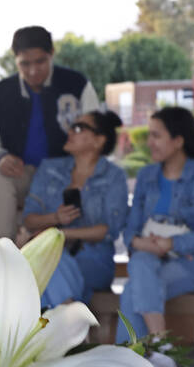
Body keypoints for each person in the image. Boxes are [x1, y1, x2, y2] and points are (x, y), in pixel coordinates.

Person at [116, 107, 194, 367]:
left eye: (156, 135)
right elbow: (130, 226)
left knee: (133, 290)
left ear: (178, 140)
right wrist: (138, 242)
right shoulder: (146, 175)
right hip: (150, 258)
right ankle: (160, 348)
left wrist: (171, 244)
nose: (149, 142)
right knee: (141, 265)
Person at [0, 26, 100, 240]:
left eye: (40, 62)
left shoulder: (77, 85)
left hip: (66, 175)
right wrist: (0, 158)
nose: (33, 70)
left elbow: (97, 137)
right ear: (15, 60)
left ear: (52, 54)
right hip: (19, 173)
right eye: (25, 63)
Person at [20, 110, 127, 307]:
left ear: (99, 140)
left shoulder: (114, 177)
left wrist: (59, 234)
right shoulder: (49, 169)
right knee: (50, 264)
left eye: (79, 128)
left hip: (95, 259)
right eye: (71, 126)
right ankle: (70, 318)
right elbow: (29, 219)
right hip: (53, 255)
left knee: (47, 265)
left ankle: (66, 323)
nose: (70, 131)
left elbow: (108, 230)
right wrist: (55, 217)